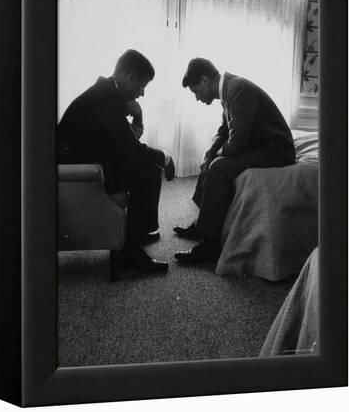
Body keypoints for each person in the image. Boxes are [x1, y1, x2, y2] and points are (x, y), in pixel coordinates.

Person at [58, 49, 175, 273]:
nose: (141, 94)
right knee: (149, 172)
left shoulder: (107, 93)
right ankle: (131, 251)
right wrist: (165, 157)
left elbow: (123, 142)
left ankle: (138, 234)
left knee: (146, 167)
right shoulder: (107, 100)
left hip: (89, 163)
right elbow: (130, 149)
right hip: (82, 173)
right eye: (141, 87)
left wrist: (137, 115)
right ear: (130, 78)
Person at [174, 58, 296, 263]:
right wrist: (210, 150)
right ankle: (202, 225)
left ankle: (212, 244)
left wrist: (216, 155)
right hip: (259, 143)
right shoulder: (228, 90)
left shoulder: (237, 90)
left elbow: (236, 144)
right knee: (211, 158)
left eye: (196, 91)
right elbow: (225, 130)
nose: (197, 98)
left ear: (205, 81)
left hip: (276, 149)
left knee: (219, 167)